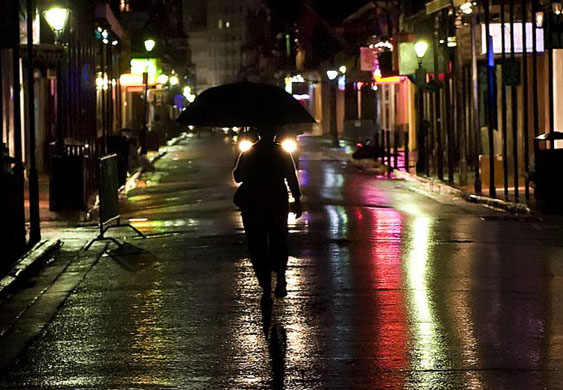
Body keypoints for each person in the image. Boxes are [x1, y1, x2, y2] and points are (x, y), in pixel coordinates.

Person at [233, 126, 302, 303]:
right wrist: (296, 199)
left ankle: (264, 281)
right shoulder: (282, 152)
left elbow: (238, 177)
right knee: (279, 239)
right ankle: (280, 277)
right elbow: (291, 177)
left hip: (253, 202)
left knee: (257, 241)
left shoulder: (249, 153)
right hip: (277, 200)